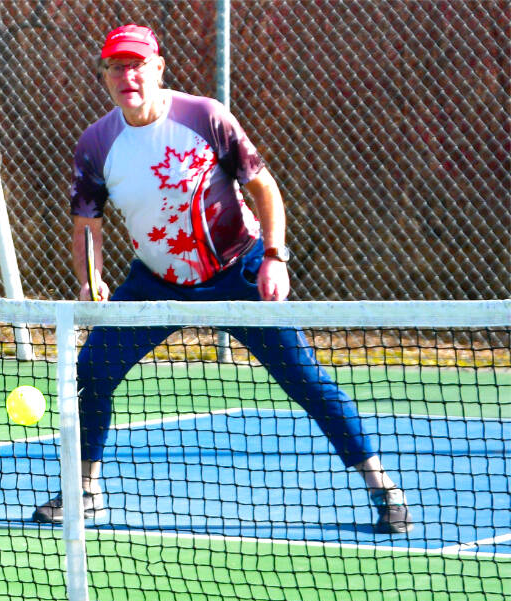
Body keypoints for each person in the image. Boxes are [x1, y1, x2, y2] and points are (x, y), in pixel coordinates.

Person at [32, 24, 412, 536]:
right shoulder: (96, 143)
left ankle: (383, 487)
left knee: (304, 379)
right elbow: (86, 224)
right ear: (104, 76)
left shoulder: (205, 116)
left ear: (158, 68)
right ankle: (86, 492)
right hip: (155, 283)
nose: (127, 76)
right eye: (116, 67)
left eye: (137, 65)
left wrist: (274, 257)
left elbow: (263, 187)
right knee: (92, 371)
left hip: (239, 271)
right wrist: (90, 279)